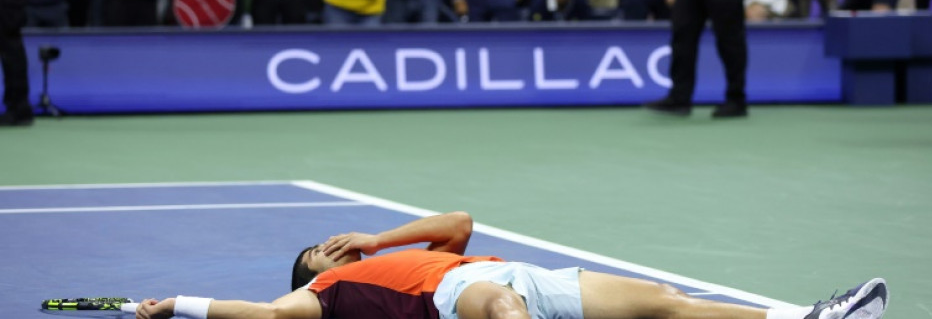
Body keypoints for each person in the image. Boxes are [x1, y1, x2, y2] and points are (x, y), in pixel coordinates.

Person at [134, 211, 889, 319]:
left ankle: (809, 318)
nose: (330, 246)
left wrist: (376, 240)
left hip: (530, 273)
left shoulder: (393, 251)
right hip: (469, 296)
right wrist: (181, 305)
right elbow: (266, 314)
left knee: (667, 300)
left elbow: (459, 220)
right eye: (319, 251)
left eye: (333, 242)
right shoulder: (328, 291)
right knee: (499, 305)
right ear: (313, 269)